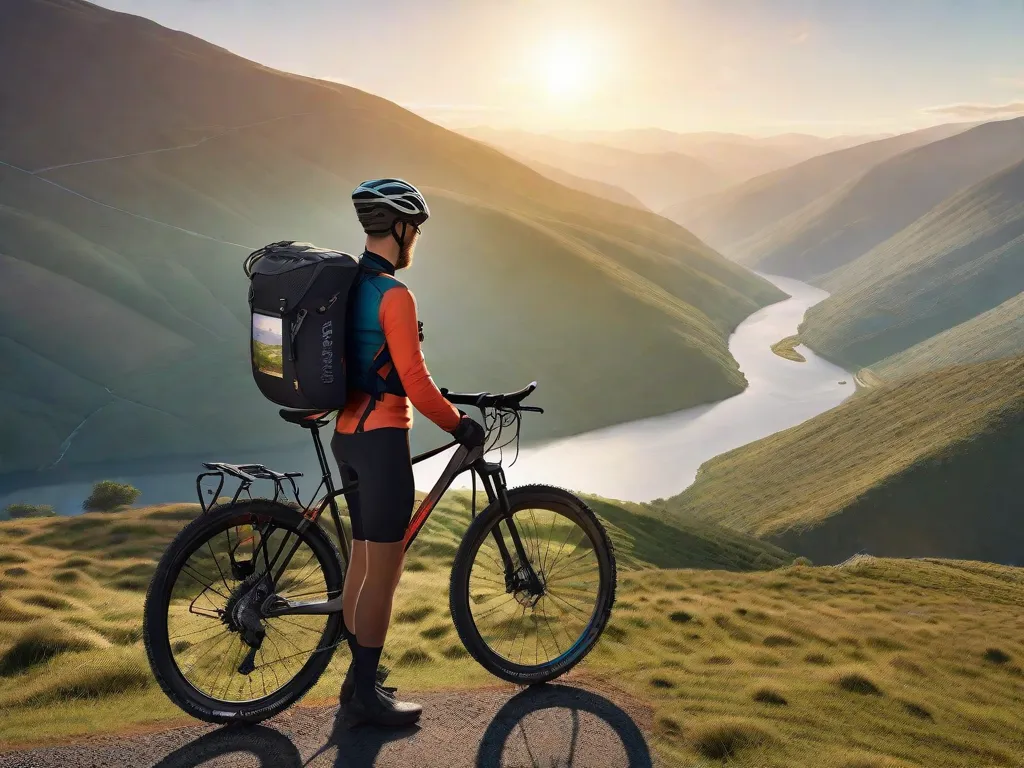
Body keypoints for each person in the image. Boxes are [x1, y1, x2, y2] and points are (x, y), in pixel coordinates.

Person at [333, 178, 485, 727]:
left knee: (360, 562)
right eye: (414, 227)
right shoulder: (393, 296)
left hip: (346, 438)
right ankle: (367, 699)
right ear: (398, 228)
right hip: (381, 442)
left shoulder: (346, 284)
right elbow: (416, 384)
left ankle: (357, 682)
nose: (416, 236)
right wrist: (459, 423)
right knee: (385, 573)